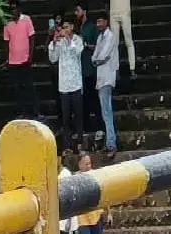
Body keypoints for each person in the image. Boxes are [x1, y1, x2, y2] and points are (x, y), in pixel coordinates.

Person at [49, 19, 86, 150]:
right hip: (64, 86)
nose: (63, 30)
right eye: (62, 27)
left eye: (66, 27)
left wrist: (68, 39)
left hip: (76, 84)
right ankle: (67, 146)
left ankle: (80, 143)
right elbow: (53, 58)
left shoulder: (77, 40)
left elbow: (77, 52)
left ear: (71, 27)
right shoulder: (59, 41)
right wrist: (54, 42)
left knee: (78, 116)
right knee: (65, 119)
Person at [92, 11, 120, 159]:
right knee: (105, 113)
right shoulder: (99, 38)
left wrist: (97, 60)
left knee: (107, 113)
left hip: (107, 77)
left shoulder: (110, 37)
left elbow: (102, 56)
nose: (98, 25)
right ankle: (110, 142)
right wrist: (97, 60)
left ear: (106, 23)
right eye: (97, 22)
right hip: (101, 78)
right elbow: (94, 57)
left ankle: (111, 144)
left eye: (100, 22)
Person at [4, 1, 39, 118]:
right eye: (11, 9)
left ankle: (35, 111)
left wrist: (31, 55)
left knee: (29, 86)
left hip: (25, 59)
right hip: (13, 61)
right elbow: (6, 41)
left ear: (19, 9)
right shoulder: (7, 23)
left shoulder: (27, 19)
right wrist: (7, 58)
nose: (13, 11)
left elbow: (32, 37)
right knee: (17, 88)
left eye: (15, 9)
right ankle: (22, 112)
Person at [75, 4, 101, 134]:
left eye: (78, 10)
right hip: (80, 69)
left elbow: (97, 45)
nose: (76, 13)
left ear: (84, 11)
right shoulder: (77, 28)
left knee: (94, 99)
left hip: (90, 68)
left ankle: (99, 126)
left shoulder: (91, 27)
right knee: (83, 100)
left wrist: (84, 44)